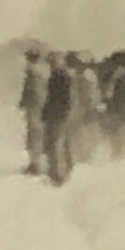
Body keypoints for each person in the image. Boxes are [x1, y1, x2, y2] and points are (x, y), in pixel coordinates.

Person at [42, 52, 74, 185]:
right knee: (60, 143)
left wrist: (50, 112)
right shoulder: (59, 76)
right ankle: (65, 168)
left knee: (55, 144)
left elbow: (62, 99)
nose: (50, 65)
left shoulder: (59, 77)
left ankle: (57, 175)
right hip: (57, 114)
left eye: (52, 62)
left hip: (57, 115)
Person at [18, 48, 48, 175]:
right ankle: (35, 164)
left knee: (34, 135)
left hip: (34, 108)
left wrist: (24, 102)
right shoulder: (41, 72)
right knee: (35, 135)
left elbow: (32, 92)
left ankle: (35, 165)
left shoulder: (32, 72)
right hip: (38, 107)